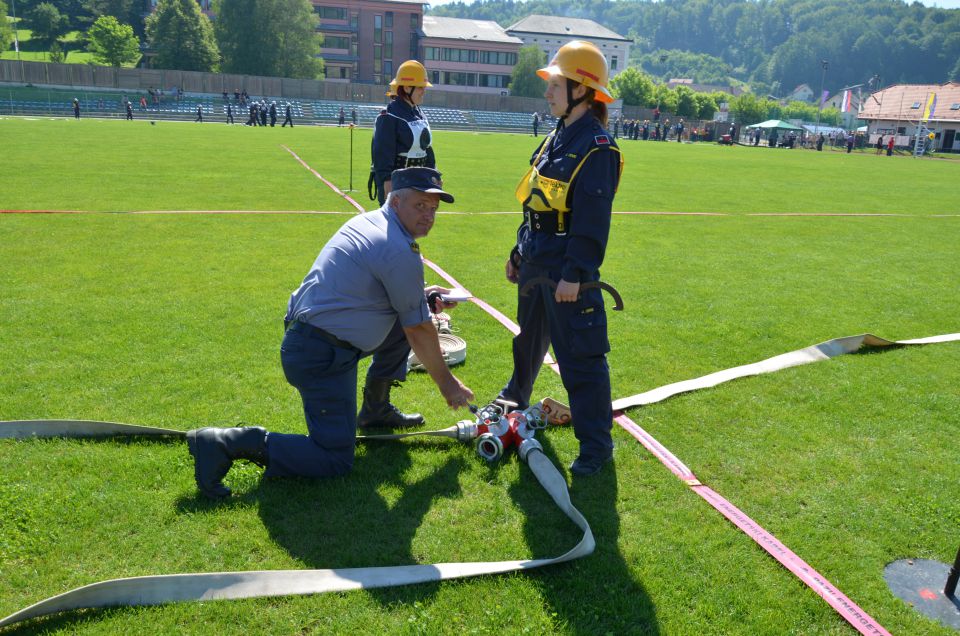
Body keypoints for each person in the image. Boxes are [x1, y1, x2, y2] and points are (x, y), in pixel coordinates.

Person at [187, 167, 475, 498]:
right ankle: (224, 443)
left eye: (434, 209)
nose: (428, 216)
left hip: (311, 337)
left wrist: (421, 297)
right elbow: (421, 330)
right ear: (396, 202)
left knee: (407, 317)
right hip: (320, 354)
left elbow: (387, 298)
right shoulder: (397, 247)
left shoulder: (370, 221)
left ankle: (375, 409)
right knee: (334, 458)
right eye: (420, 206)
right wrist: (448, 385)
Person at [498, 40, 623, 477]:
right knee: (527, 341)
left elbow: (592, 223)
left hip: (567, 274)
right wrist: (519, 251)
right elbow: (534, 203)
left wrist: (574, 274)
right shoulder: (555, 138)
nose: (548, 92)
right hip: (536, 264)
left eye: (556, 84)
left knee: (581, 360)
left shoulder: (597, 148)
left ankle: (595, 447)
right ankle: (516, 398)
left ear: (582, 91)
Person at [370, 60, 436, 206]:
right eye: (420, 87)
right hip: (396, 185)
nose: (423, 91)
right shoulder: (389, 116)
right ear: (406, 88)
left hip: (417, 183)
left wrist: (433, 174)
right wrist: (387, 181)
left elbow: (427, 149)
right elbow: (382, 153)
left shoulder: (419, 114)